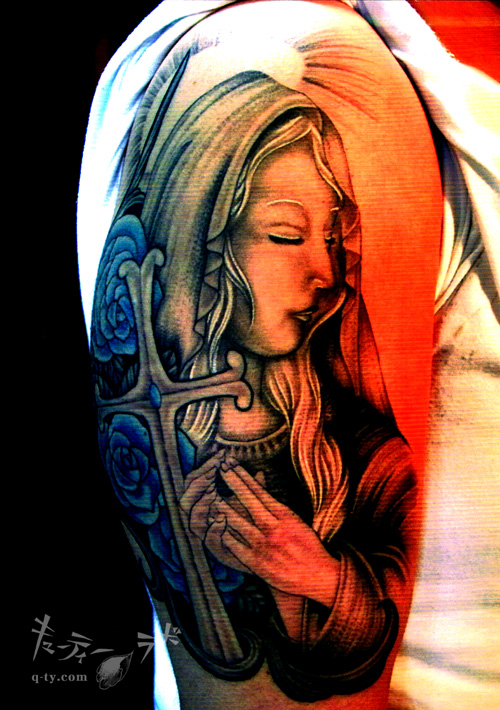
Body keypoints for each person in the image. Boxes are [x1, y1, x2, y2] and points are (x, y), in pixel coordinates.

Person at [78, 2, 499, 709]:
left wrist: (326, 580)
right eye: (283, 234)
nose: (328, 273)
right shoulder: (269, 39)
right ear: (204, 238)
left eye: (333, 237)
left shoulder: (345, 435)